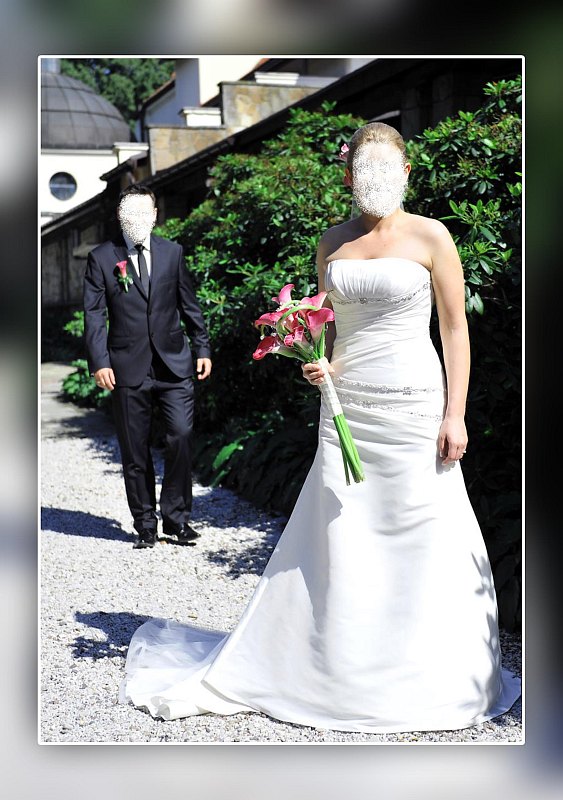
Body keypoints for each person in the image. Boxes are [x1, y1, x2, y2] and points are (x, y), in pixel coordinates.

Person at [119, 124, 521, 733]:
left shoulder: (432, 235)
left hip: (415, 404)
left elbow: (455, 329)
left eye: (385, 167)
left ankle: (425, 674)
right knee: (343, 533)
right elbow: (324, 324)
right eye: (363, 168)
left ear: (405, 173)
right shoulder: (332, 241)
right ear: (349, 176)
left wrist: (455, 412)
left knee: (421, 528)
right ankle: (333, 670)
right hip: (346, 405)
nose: (373, 178)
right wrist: (318, 361)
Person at [83, 184, 212, 550]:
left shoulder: (173, 252)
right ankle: (145, 525)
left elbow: (189, 303)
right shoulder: (102, 257)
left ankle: (177, 518)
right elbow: (94, 315)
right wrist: (99, 361)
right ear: (120, 216)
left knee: (181, 435)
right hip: (126, 366)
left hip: (174, 363)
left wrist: (202, 347)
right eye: (131, 212)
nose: (138, 218)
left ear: (155, 215)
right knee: (134, 449)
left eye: (145, 211)